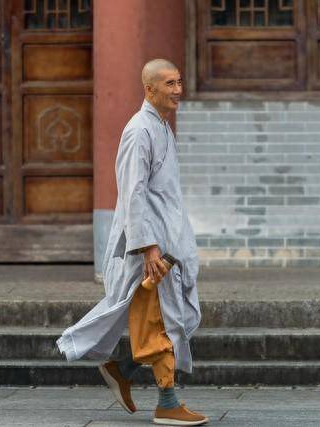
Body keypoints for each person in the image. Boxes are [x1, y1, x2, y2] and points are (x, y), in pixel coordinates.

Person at [56, 58, 207, 426]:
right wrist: (148, 246)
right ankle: (167, 402)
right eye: (169, 84)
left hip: (168, 241)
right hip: (149, 249)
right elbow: (132, 192)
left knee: (180, 318)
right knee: (160, 321)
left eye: (179, 82)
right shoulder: (139, 130)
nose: (178, 90)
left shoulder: (162, 127)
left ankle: (121, 369)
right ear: (149, 89)